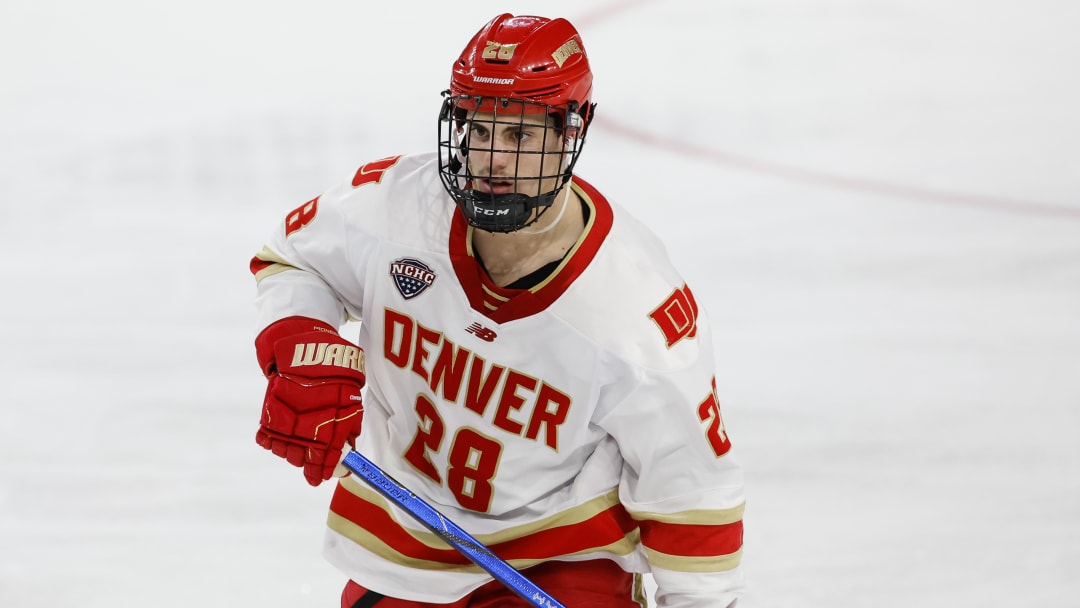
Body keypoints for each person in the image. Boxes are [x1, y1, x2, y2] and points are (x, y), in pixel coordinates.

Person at [249, 13, 745, 608]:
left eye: (518, 137)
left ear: (571, 131)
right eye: (479, 130)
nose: (492, 159)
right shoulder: (398, 207)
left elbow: (693, 498)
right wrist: (302, 345)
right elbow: (293, 258)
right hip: (407, 551)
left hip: (559, 564)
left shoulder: (635, 307)